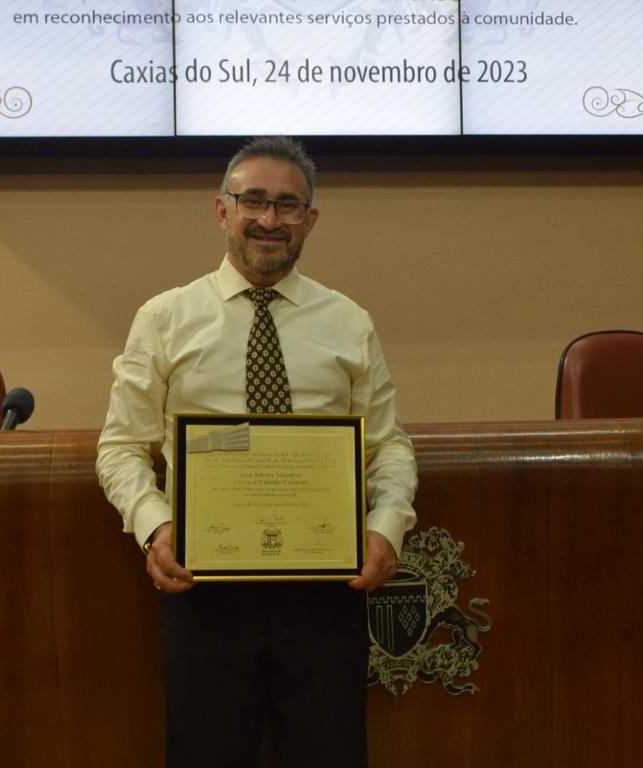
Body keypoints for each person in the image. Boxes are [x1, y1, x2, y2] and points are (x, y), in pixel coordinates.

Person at [96, 136, 417, 768]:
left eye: (288, 205)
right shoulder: (163, 319)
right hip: (204, 592)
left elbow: (390, 448)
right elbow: (122, 447)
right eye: (254, 201)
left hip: (325, 591)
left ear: (310, 220)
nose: (270, 220)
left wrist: (386, 531)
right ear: (222, 210)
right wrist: (155, 528)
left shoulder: (349, 322)